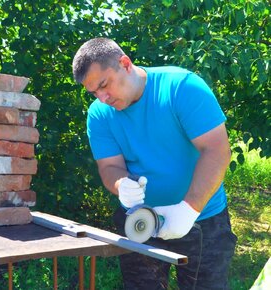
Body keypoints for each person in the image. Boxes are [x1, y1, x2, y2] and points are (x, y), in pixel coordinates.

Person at [72, 38, 237, 289]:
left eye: (104, 85)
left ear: (124, 64)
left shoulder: (182, 87)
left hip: (203, 219)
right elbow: (109, 167)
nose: (102, 97)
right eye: (94, 92)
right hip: (140, 222)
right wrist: (120, 184)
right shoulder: (99, 114)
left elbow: (217, 150)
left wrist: (189, 209)